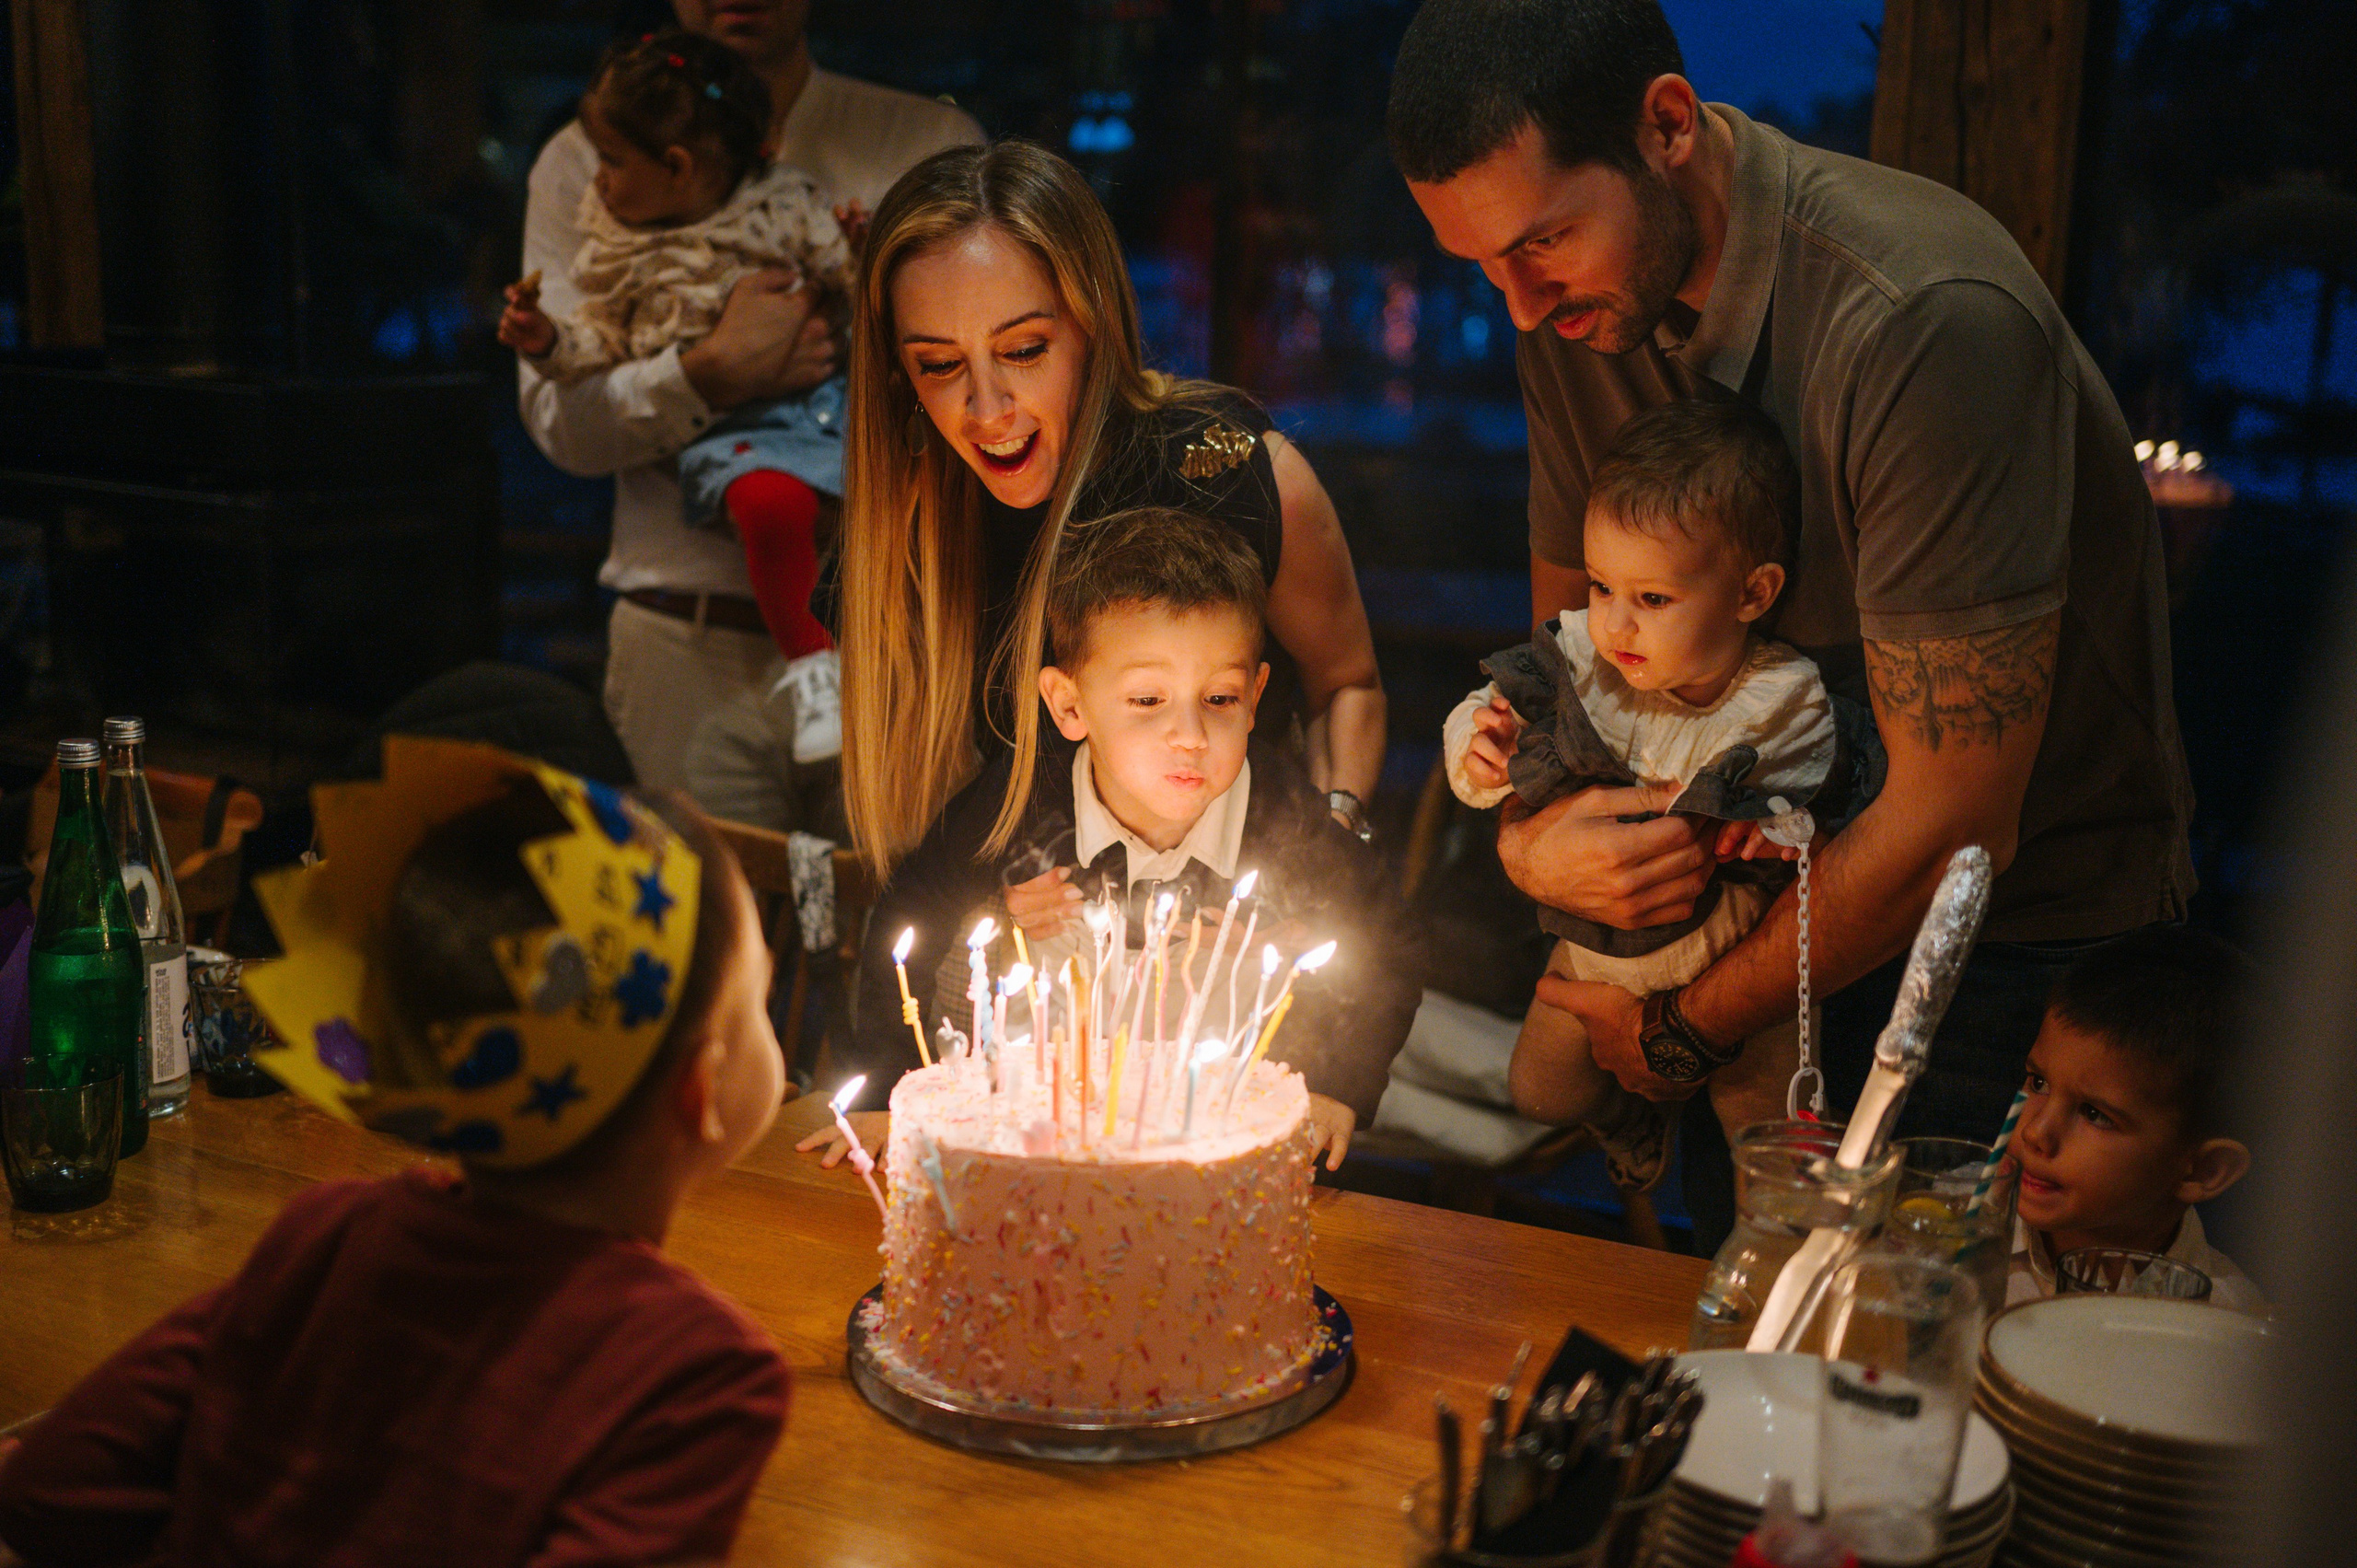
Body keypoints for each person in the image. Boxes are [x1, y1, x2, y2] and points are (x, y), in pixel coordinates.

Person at [1387, 0, 2195, 1248]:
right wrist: (1532, 845)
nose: (1519, 305)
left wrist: (1684, 1020)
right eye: (1479, 264)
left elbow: (1954, 825)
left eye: (1542, 241)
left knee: (1922, 1379)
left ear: (1666, 124)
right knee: (1747, 1368)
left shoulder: (1920, 317)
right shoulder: (1569, 313)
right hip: (1741, 930)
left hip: (2008, 959)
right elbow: (1571, 671)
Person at [0, 738, 790, 1565]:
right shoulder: (699, 1377)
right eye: (762, 998)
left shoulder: (329, 1234)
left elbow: (45, 1487)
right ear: (698, 1090)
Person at [835, 141, 1387, 948]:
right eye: (939, 364)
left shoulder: (1230, 470)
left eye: (1024, 350)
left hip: (1220, 954)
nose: (987, 406)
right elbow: (931, 862)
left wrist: (1328, 851)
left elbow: (1347, 684)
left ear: (1093, 323)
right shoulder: (905, 535)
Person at [811, 507, 1415, 1161]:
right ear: (1070, 705)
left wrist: (1334, 1085)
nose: (1190, 734)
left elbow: (1388, 946)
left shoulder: (1284, 815)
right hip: (1037, 1143)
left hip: (1211, 1154)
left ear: (1256, 695)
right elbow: (913, 913)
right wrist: (886, 1093)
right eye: (1148, 700)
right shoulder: (1021, 797)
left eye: (1219, 698)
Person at [520, 0, 979, 794]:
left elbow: (984, 402)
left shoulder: (927, 146)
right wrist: (709, 372)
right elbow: (566, 425)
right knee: (699, 918)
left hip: (886, 642)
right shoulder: (589, 159)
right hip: (681, 642)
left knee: (891, 913)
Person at [1442, 401, 1881, 1188]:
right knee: (1537, 1089)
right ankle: (1630, 1119)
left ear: (1752, 594)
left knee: (1769, 1154)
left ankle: (1776, 1285)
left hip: (1741, 971)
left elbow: (1839, 819)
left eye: (1652, 600)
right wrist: (1481, 748)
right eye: (1603, 585)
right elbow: (1494, 711)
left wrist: (1784, 833)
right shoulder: (1585, 662)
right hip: (1599, 947)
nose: (1616, 625)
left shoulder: (1785, 701)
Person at [501, 29, 853, 766]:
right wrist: (550, 344)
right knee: (767, 505)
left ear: (678, 166)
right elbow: (593, 357)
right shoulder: (615, 241)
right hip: (680, 629)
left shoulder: (782, 205)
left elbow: (857, 279)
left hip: (833, 449)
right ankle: (814, 668)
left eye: (613, 164)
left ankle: (826, 660)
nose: (598, 180)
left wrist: (853, 261)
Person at [2006, 926, 2261, 1314]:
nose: (2035, 1132)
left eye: (2095, 1115)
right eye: (2038, 1082)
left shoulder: (2228, 1327)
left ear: (2204, 1171)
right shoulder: (1941, 1236)